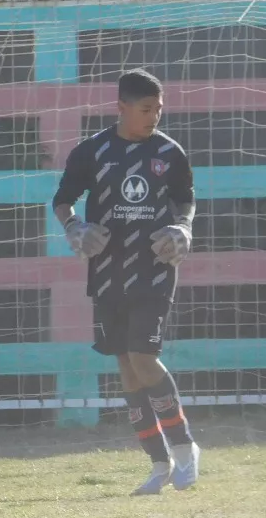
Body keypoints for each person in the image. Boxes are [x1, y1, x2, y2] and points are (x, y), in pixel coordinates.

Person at [51, 69, 200, 495]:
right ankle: (158, 463)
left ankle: (185, 448)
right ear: (121, 108)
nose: (155, 116)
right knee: (126, 365)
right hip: (107, 271)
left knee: (143, 356)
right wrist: (74, 227)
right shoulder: (92, 151)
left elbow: (185, 199)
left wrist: (183, 227)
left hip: (154, 267)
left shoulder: (169, 152)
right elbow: (63, 200)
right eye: (146, 109)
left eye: (159, 108)